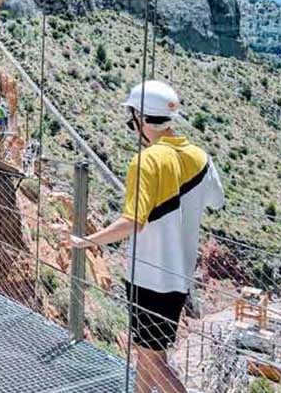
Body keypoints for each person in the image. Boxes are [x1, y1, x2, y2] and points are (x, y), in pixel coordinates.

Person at [63, 80, 224, 393]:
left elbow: (131, 222)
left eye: (132, 119)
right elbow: (217, 201)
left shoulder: (146, 161)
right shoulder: (201, 158)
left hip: (148, 278)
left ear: (140, 118)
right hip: (180, 278)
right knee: (151, 353)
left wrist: (87, 241)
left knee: (152, 360)